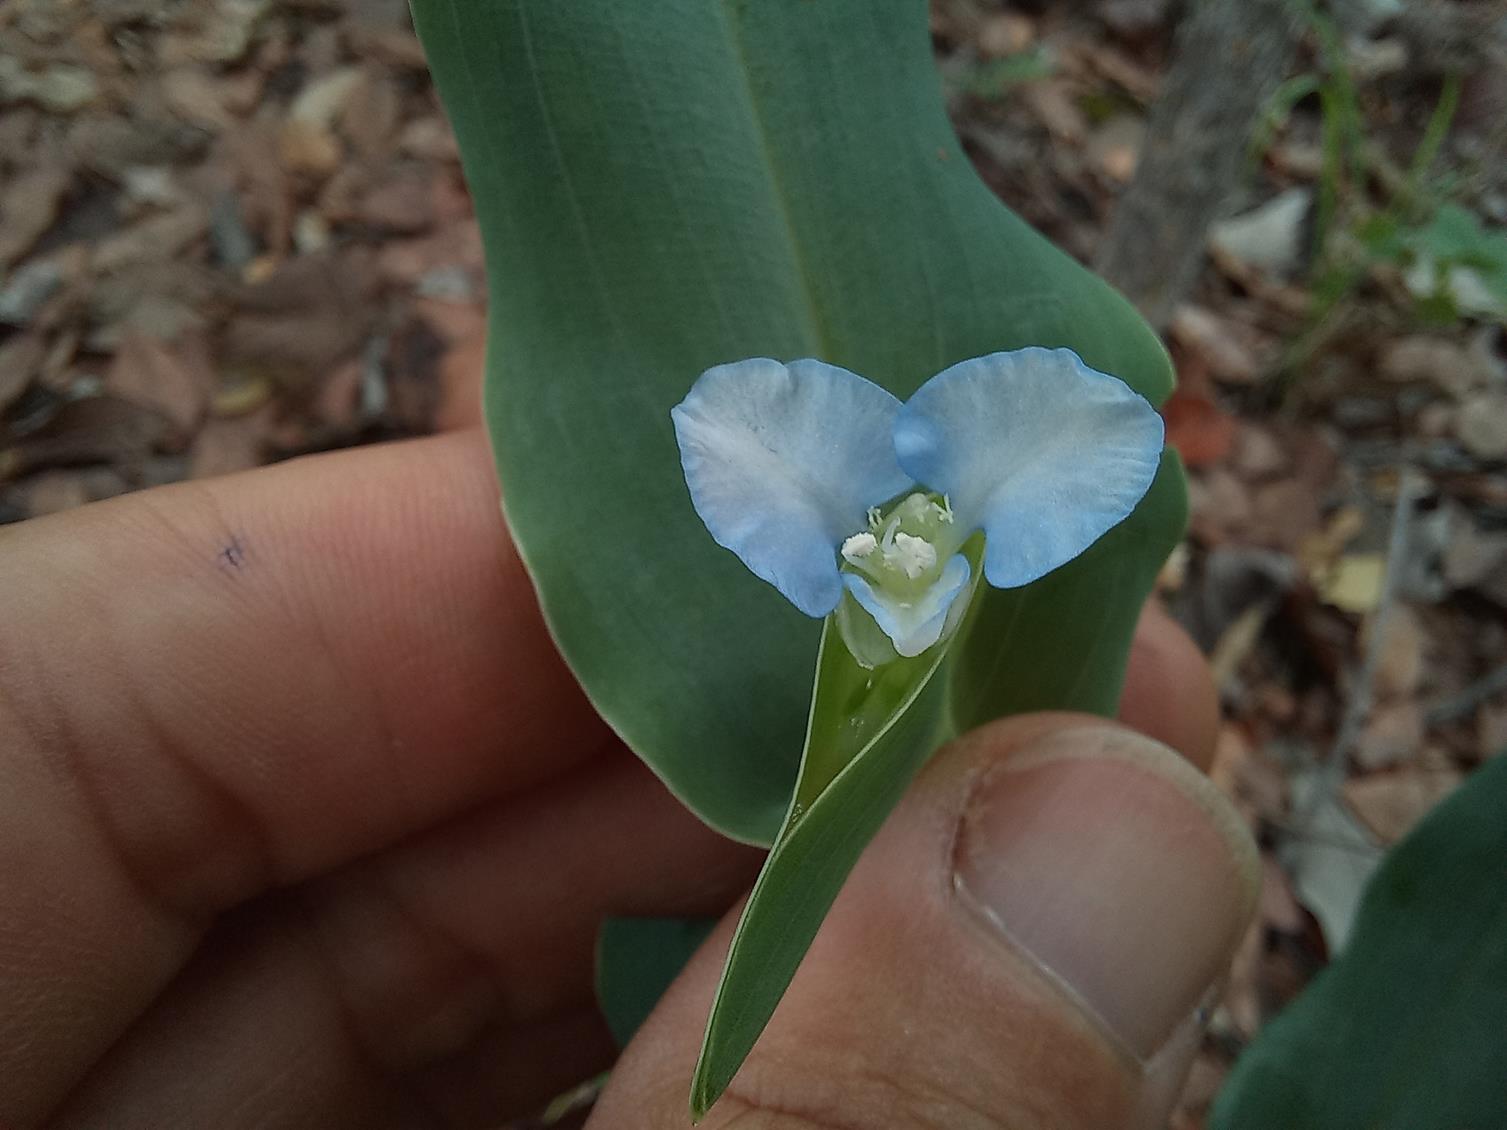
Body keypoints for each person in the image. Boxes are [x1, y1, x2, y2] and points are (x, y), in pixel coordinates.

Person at [0, 425, 1255, 1129]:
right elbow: (729, 423)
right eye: (892, 537)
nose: (911, 542)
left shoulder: (1010, 481)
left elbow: (1093, 428)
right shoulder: (797, 476)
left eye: (932, 535)